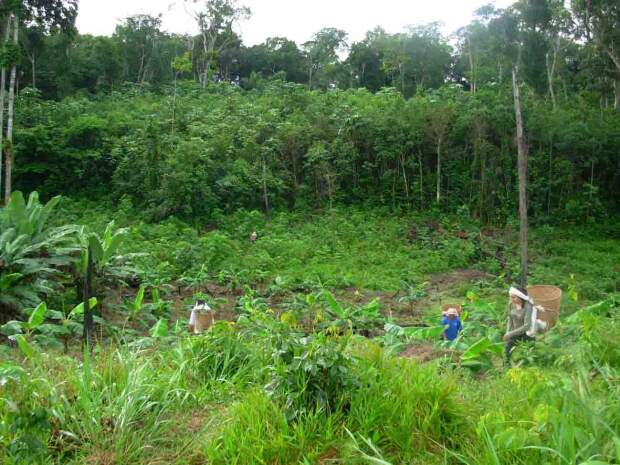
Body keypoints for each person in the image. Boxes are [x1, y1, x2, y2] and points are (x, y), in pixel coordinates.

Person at [503, 287, 536, 363]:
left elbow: (527, 326)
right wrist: (508, 332)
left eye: (513, 297)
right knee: (507, 349)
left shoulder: (528, 307)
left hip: (527, 333)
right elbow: (510, 319)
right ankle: (507, 365)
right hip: (515, 332)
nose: (511, 299)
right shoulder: (511, 304)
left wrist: (510, 333)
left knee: (528, 354)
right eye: (510, 297)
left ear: (520, 297)